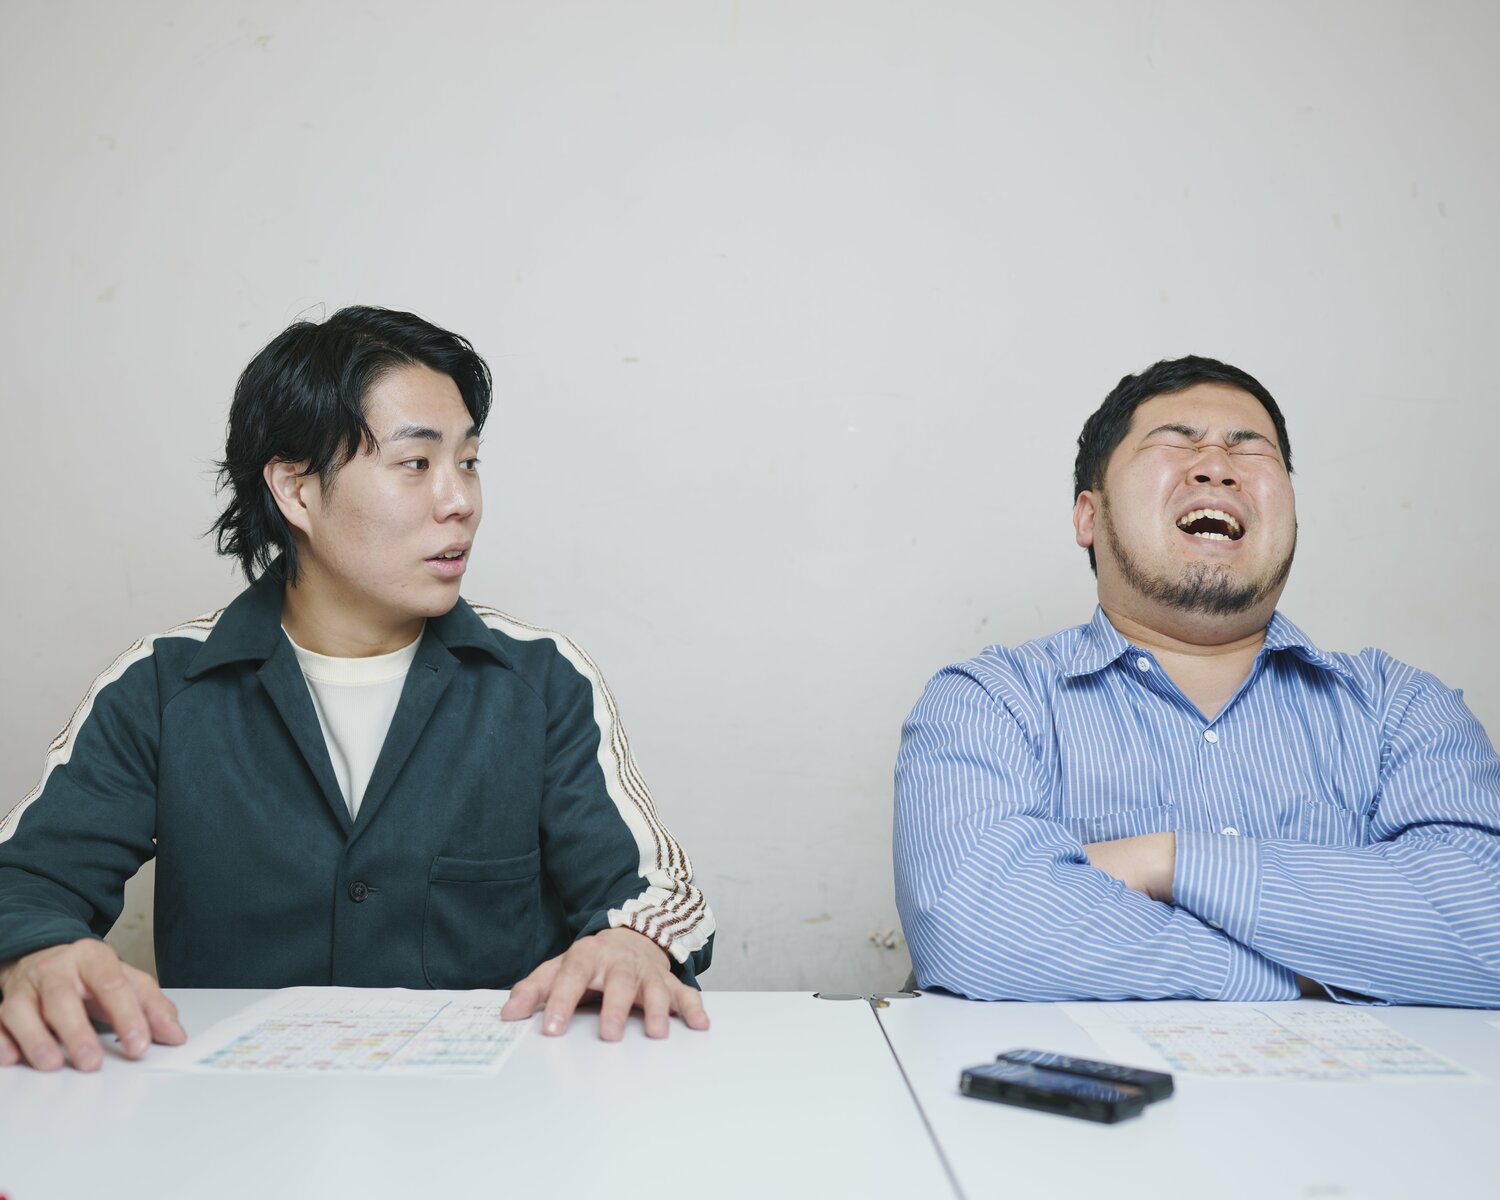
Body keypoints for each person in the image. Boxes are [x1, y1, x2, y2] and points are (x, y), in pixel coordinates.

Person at [0, 306, 714, 1071]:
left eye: (469, 461)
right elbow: (25, 883)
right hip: (232, 1116)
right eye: (416, 463)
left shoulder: (541, 681)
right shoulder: (159, 687)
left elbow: (654, 891)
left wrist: (632, 942)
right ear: (296, 489)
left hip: (487, 1114)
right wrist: (38, 952)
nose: (460, 501)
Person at [894, 355, 1500, 1006]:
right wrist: (1310, 974)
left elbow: (1485, 925)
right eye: (1175, 443)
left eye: (1250, 449)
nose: (1216, 467)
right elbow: (977, 931)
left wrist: (1167, 861)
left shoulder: (1401, 708)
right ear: (1089, 517)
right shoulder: (989, 703)